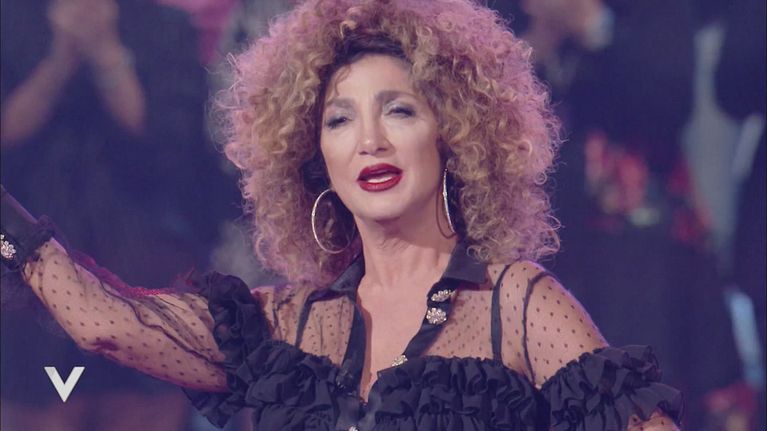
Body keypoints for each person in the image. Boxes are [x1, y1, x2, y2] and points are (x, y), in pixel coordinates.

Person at [0, 1, 683, 430]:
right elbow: (102, 321)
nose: (369, 140)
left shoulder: (517, 304)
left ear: (454, 135)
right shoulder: (284, 325)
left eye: (399, 110)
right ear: (313, 157)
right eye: (339, 119)